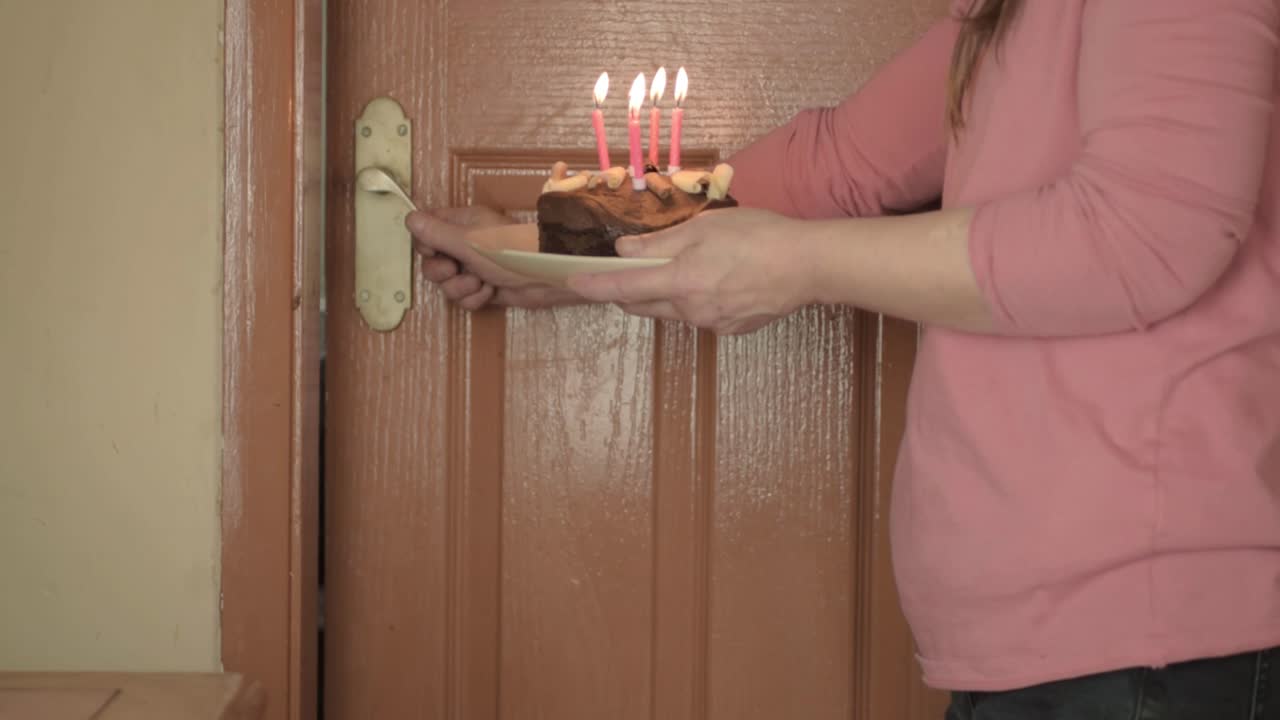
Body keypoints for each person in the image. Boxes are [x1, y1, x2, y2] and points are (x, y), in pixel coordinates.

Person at [407, 0, 1280, 716]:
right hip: (1040, 654)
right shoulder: (1008, 13)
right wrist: (552, 253)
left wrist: (802, 267)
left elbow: (1142, 237)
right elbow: (838, 167)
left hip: (1154, 650)